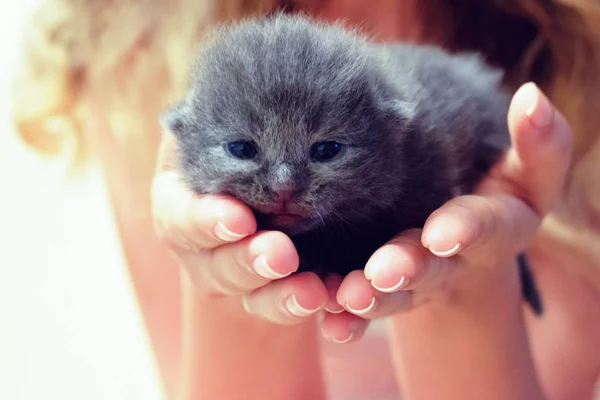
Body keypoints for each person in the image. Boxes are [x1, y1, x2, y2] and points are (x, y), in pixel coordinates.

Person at [12, 0, 600, 399]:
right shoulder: (132, 44)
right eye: (244, 149)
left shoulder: (574, 57)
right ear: (186, 132)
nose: (285, 184)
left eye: (326, 151)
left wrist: (471, 286)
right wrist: (235, 289)